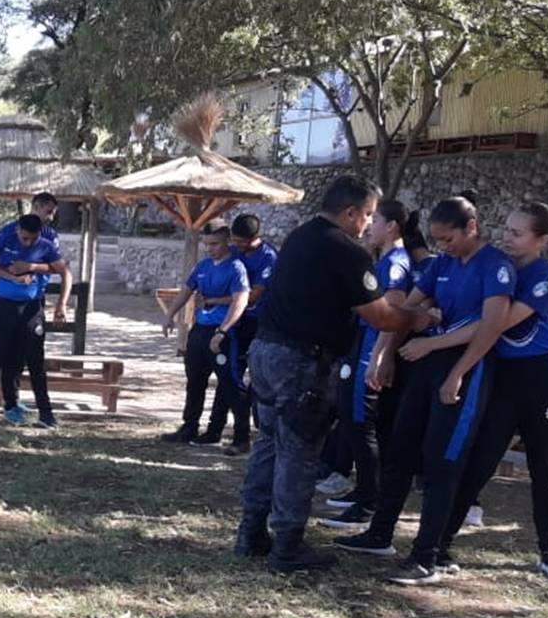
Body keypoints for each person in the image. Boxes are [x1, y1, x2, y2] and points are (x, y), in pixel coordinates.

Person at [234, 175, 429, 573]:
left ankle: (251, 533)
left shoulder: (299, 237)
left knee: (269, 445)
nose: (367, 224)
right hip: (302, 363)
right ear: (350, 212)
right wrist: (417, 318)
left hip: (267, 353)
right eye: (367, 215)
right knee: (298, 454)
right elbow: (379, 315)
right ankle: (287, 547)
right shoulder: (346, 251)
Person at [335, 195, 516, 584]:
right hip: (424, 366)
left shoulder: (495, 267)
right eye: (437, 239)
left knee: (441, 463)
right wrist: (384, 353)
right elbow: (407, 310)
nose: (443, 246)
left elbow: (490, 326)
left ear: (471, 228)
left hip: (467, 368)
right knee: (400, 449)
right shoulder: (442, 265)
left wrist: (457, 374)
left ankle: (427, 555)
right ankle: (380, 533)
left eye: (448, 238)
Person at [434, 203, 548, 581]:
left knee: (544, 466)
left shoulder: (544, 276)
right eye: (506, 230)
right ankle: (440, 544)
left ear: (542, 239)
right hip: (504, 377)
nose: (507, 238)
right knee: (480, 460)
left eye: (517, 233)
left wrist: (435, 346)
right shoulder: (499, 268)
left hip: (543, 379)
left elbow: (494, 325)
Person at [317, 201, 417, 531]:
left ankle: (368, 502)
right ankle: (363, 490)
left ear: (392, 227)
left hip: (370, 349)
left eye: (376, 220)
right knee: (351, 419)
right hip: (360, 346)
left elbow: (396, 310)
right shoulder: (383, 260)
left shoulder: (397, 264)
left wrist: (380, 355)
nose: (370, 226)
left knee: (361, 422)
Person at [0, 213, 71, 428]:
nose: (28, 242)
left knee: (35, 362)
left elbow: (65, 272)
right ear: (18, 231)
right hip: (4, 307)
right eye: (24, 238)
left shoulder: (45, 246)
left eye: (32, 239)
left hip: (32, 310)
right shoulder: (4, 239)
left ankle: (46, 415)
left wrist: (61, 304)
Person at [158, 224, 249, 447]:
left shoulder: (236, 268)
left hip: (222, 333)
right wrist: (170, 314)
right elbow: (186, 291)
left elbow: (240, 301)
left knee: (230, 384)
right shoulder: (202, 266)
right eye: (207, 244)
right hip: (199, 330)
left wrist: (223, 331)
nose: (210, 248)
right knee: (195, 380)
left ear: (227, 241)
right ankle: (189, 427)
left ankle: (240, 436)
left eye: (215, 244)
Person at [215, 213, 278, 455]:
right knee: (228, 376)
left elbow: (252, 295)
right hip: (235, 322)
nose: (237, 246)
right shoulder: (235, 251)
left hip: (258, 324)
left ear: (255, 237)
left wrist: (219, 298)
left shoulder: (268, 258)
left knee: (253, 381)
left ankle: (246, 436)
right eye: (235, 241)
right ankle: (216, 428)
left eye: (241, 242)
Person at [0, 192, 59, 314]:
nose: (51, 218)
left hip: (34, 300)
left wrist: (31, 267)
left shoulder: (50, 236)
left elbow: (57, 268)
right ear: (36, 207)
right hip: (4, 300)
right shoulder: (7, 232)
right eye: (49, 212)